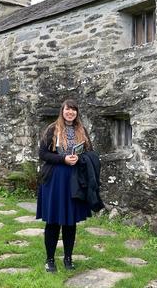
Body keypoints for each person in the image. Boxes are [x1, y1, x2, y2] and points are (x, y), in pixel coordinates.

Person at [36, 99, 95, 273]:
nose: (70, 112)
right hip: (54, 180)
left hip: (74, 181)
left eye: (74, 110)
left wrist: (80, 158)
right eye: (67, 109)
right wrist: (63, 159)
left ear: (77, 112)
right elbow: (42, 154)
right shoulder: (52, 129)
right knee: (53, 221)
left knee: (70, 222)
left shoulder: (81, 130)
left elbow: (90, 152)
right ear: (62, 111)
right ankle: (50, 260)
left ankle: (68, 258)